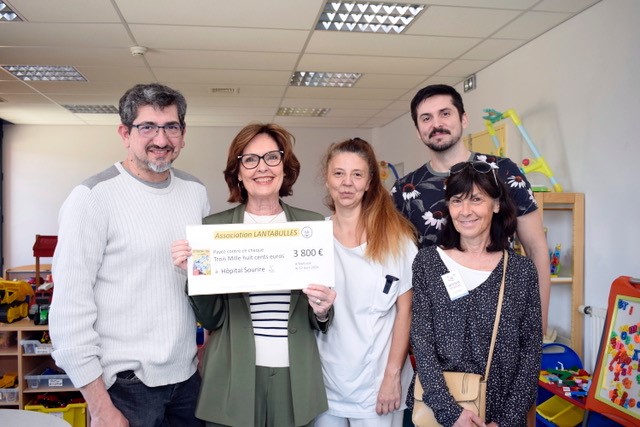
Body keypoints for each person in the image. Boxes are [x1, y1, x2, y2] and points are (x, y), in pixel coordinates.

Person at [49, 83, 210, 427]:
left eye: (171, 127)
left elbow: (199, 280)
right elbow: (68, 311)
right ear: (124, 132)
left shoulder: (195, 193)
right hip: (124, 388)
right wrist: (100, 407)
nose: (161, 139)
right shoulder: (92, 198)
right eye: (147, 126)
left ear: (183, 134)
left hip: (186, 381)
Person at [171, 123, 336, 427]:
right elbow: (212, 319)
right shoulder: (213, 230)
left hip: (295, 376)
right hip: (234, 375)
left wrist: (323, 310)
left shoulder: (311, 227)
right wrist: (195, 275)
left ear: (285, 167)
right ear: (238, 172)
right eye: (250, 159)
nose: (262, 168)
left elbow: (318, 318)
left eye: (272, 157)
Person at [391, 84, 551, 331]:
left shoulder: (504, 172)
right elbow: (399, 266)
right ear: (418, 130)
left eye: (445, 113)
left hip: (501, 318)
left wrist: (537, 326)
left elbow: (536, 248)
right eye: (426, 118)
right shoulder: (404, 190)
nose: (436, 124)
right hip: (438, 329)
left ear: (463, 119)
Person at [409, 161, 542, 427]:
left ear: (496, 204)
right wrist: (451, 414)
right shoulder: (427, 263)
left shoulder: (520, 271)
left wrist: (507, 421)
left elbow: (530, 351)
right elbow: (422, 343)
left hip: (501, 410)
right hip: (438, 410)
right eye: (457, 201)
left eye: (476, 199)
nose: (465, 211)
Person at [314, 138, 418, 427]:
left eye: (357, 174)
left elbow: (404, 313)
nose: (347, 183)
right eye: (338, 173)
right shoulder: (313, 238)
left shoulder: (397, 240)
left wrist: (392, 377)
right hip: (325, 383)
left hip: (378, 385)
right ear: (327, 179)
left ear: (370, 182)